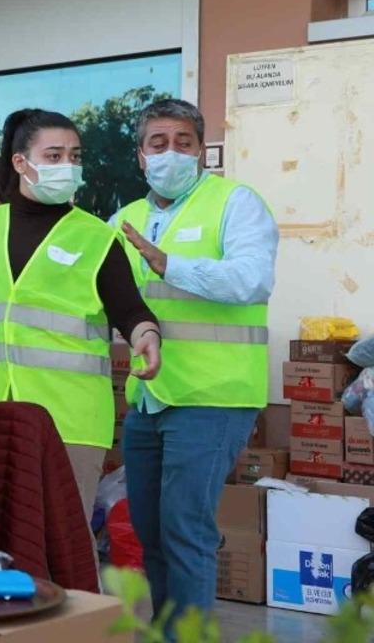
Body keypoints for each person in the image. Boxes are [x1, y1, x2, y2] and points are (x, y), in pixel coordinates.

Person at [0, 109, 162, 523]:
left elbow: (130, 311)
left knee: (62, 544)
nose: (68, 166)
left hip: (70, 420)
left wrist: (146, 335)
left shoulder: (97, 237)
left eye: (75, 156)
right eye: (54, 156)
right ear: (21, 163)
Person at [112, 99, 277, 626]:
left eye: (183, 142)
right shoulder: (123, 220)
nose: (171, 153)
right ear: (140, 156)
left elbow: (252, 278)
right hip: (149, 396)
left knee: (186, 530)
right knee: (151, 532)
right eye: (157, 143)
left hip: (214, 396)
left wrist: (169, 263)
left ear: (201, 151)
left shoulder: (236, 203)